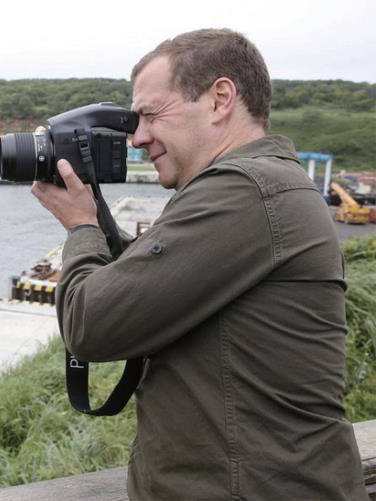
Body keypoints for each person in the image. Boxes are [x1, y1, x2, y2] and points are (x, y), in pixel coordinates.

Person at [32, 28, 367, 499]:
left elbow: (92, 325)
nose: (137, 138)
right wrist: (97, 217)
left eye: (150, 115)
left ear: (220, 98)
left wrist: (80, 227)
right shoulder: (259, 184)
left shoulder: (245, 191)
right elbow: (153, 279)